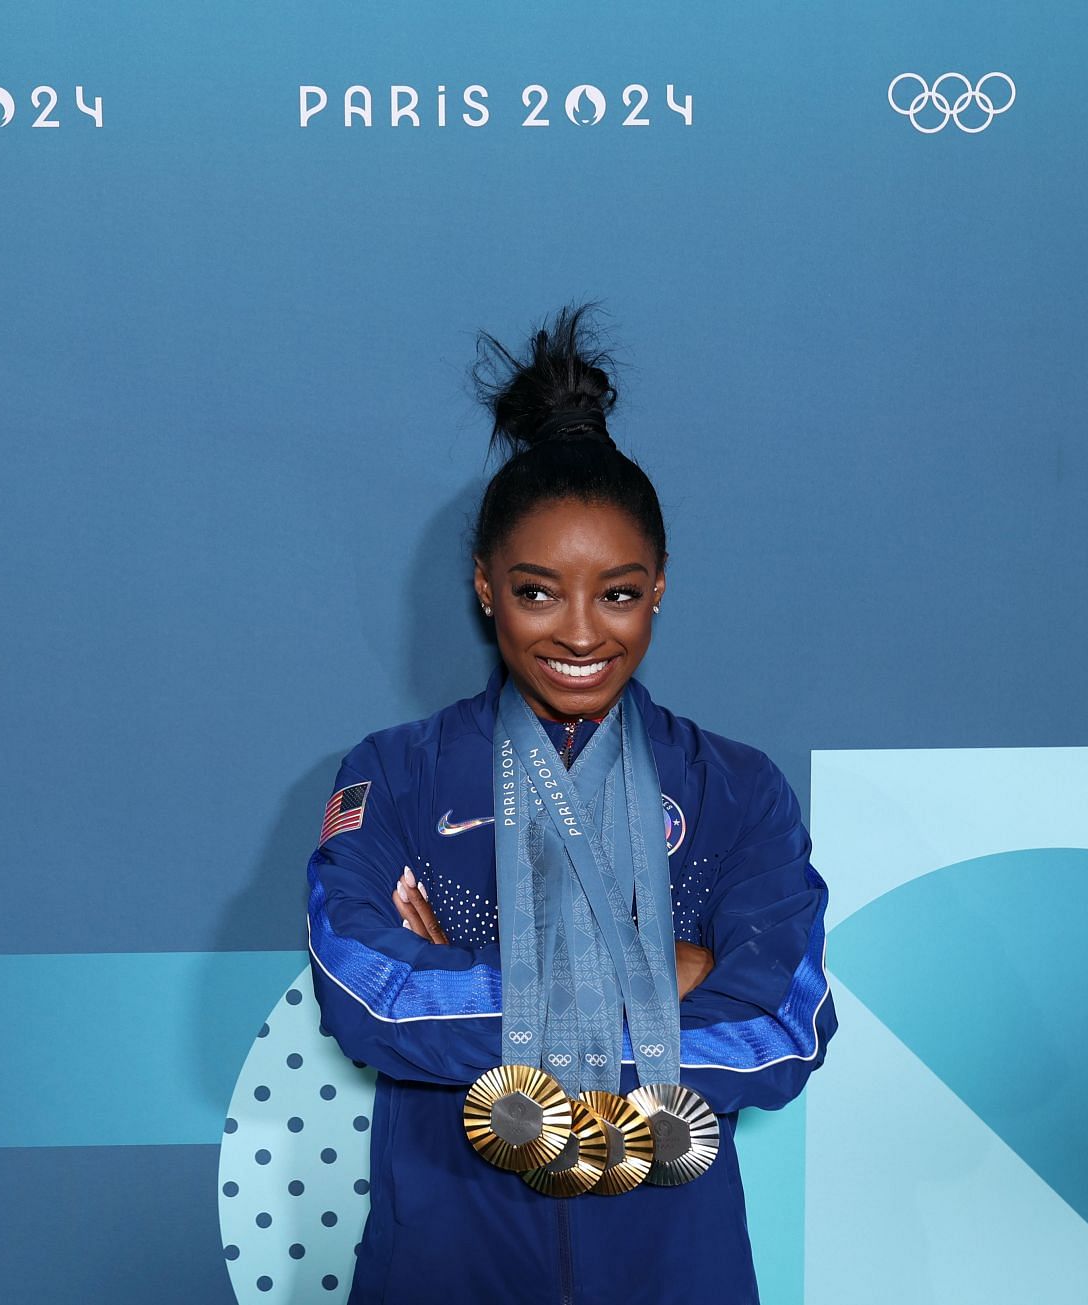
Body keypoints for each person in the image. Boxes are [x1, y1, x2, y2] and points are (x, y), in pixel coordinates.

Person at [305, 305, 836, 1304]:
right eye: (540, 592)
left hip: (675, 1267)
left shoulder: (737, 787)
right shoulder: (398, 773)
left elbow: (782, 1029)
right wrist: (661, 979)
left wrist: (473, 987)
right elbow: (368, 993)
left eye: (620, 594)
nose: (582, 633)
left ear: (661, 589)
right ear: (485, 589)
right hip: (447, 1261)